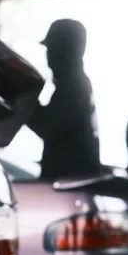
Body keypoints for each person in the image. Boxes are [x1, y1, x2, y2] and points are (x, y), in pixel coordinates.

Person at [29, 18, 100, 180]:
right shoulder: (77, 84)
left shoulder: (74, 87)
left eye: (52, 49)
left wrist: (24, 99)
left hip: (69, 183)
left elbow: (47, 127)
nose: (48, 56)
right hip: (73, 182)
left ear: (65, 52)